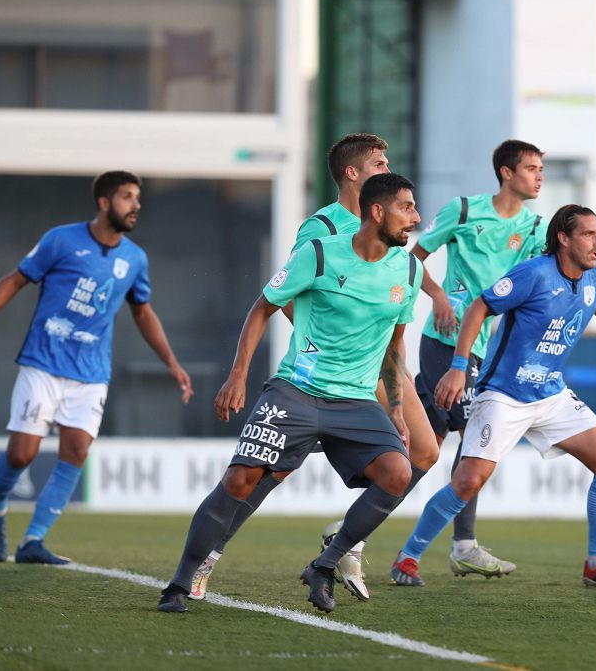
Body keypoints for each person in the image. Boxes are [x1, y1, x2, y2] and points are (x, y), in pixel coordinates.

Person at [187, 134, 439, 603]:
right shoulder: (321, 228)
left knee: (422, 453)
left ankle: (345, 542)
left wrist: (436, 299)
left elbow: (402, 283)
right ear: (353, 173)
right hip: (324, 368)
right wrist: (320, 349)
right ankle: (208, 556)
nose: (388, 169)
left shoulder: (391, 227)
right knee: (271, 472)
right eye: (380, 163)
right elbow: (285, 297)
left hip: (377, 361)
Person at [389, 204, 596, 588]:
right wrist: (458, 366)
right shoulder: (533, 274)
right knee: (468, 481)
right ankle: (407, 558)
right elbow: (479, 307)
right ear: (563, 238)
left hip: (551, 395)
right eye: (589, 234)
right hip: (504, 396)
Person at [0, 171, 192, 564]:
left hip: (91, 373)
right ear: (104, 203)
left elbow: (143, 311)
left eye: (137, 197)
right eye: (126, 196)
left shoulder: (135, 258)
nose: (135, 205)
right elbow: (16, 281)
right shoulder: (60, 239)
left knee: (77, 450)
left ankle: (33, 541)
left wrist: (172, 363)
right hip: (44, 362)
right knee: (21, 454)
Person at [409, 139, 548, 579]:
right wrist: (437, 298)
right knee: (475, 436)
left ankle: (350, 531)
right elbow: (412, 258)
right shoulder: (464, 211)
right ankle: (464, 545)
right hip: (446, 342)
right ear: (506, 173)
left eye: (541, 168)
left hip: (485, 350)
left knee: (425, 449)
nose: (539, 176)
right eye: (531, 168)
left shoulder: (535, 229)